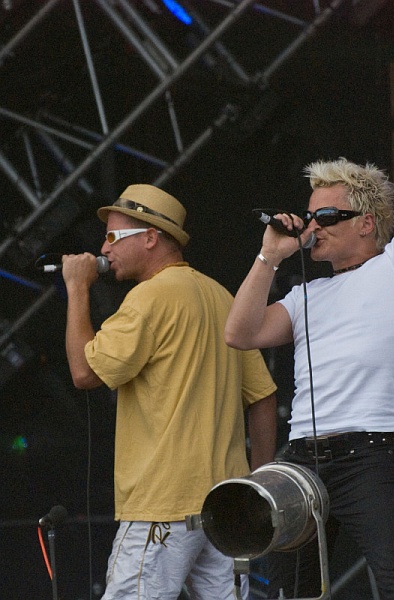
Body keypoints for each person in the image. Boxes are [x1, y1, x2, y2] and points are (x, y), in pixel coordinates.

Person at [224, 1, 394, 598]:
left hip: (373, 454)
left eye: (329, 215)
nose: (315, 225)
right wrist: (270, 255)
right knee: (296, 589)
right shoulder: (304, 294)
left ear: (368, 225)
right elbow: (239, 332)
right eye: (311, 214)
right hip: (301, 457)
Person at [61, 184, 277, 600]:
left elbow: (84, 372)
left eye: (112, 237)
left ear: (150, 237)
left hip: (160, 506)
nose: (104, 247)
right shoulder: (221, 297)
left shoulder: (149, 298)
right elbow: (263, 396)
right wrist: (257, 483)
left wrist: (77, 288)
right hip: (224, 507)